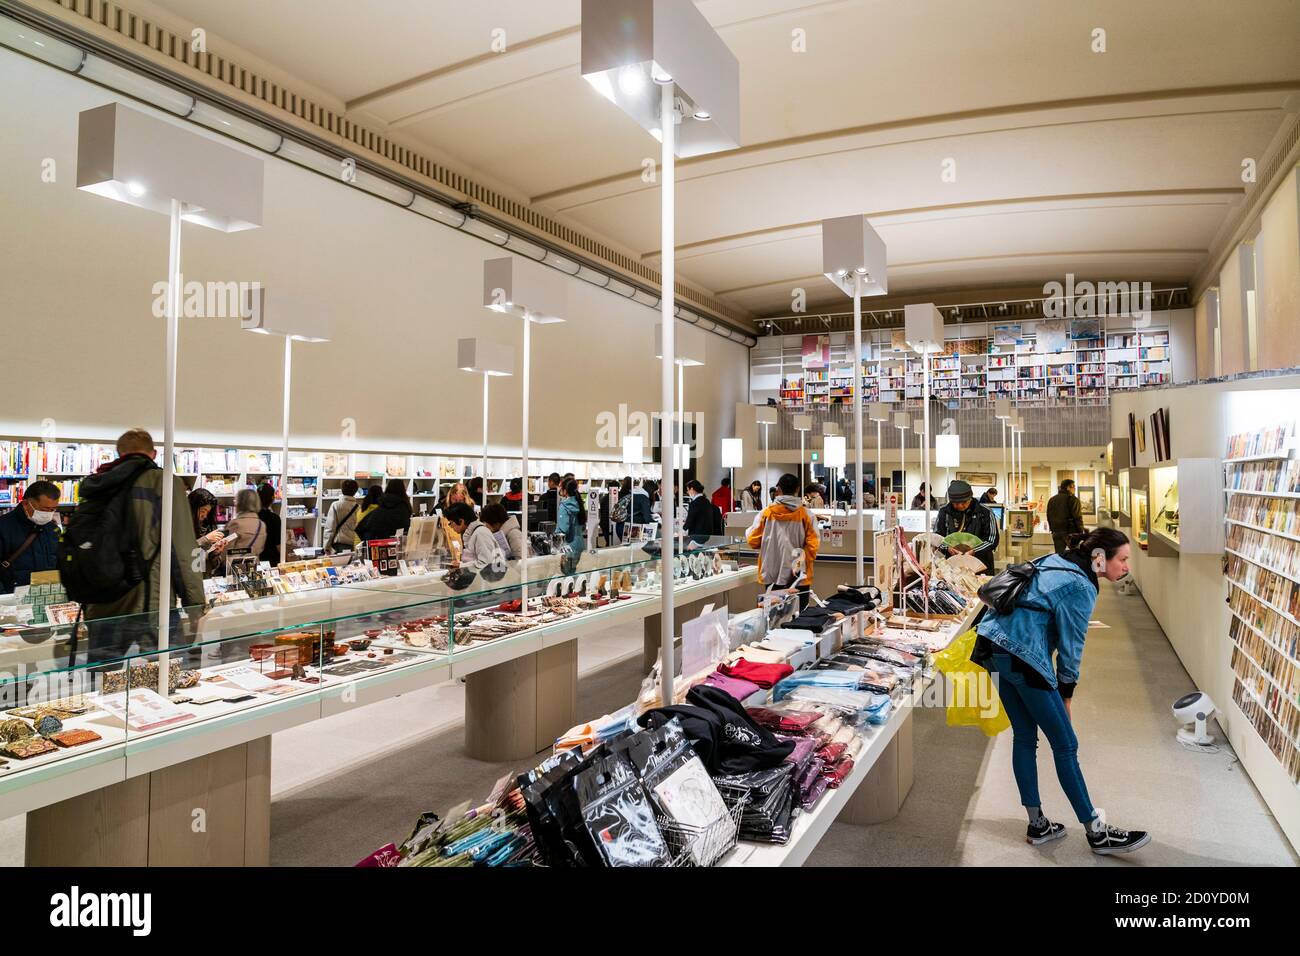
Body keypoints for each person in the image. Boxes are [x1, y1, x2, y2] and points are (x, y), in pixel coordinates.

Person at [973, 528, 1150, 855]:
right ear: (1100, 558)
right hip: (1022, 654)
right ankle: (1097, 833)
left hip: (992, 644)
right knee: (1066, 744)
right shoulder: (1081, 585)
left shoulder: (1057, 559)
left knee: (1025, 736)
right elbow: (1071, 648)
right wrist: (1065, 695)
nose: (1126, 567)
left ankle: (1037, 823)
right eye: (1122, 559)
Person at [81, 429, 204, 657]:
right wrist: (195, 603)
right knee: (168, 678)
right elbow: (184, 548)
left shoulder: (98, 484)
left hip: (101, 603)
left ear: (119, 453)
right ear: (153, 454)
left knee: (103, 681)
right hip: (151, 603)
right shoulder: (165, 483)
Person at [746, 473, 819, 603]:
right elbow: (812, 547)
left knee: (774, 617)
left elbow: (753, 540)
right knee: (800, 616)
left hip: (772, 573)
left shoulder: (765, 513)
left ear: (778, 489)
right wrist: (797, 565)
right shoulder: (807, 515)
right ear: (797, 489)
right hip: (798, 576)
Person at [0, 480, 61, 593]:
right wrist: (3, 599)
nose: (48, 513)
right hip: (11, 597)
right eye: (44, 509)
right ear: (26, 504)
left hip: (46, 594)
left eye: (53, 509)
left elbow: (58, 561)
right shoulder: (3, 527)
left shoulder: (53, 529)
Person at [933, 479, 999, 573]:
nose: (960, 506)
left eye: (964, 502)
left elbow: (992, 540)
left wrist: (974, 550)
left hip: (981, 567)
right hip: (951, 568)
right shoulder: (944, 512)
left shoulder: (986, 512)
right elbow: (937, 538)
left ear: (970, 498)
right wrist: (947, 547)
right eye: (955, 503)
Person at [187, 487, 226, 574]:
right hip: (187, 578)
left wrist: (216, 552)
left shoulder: (207, 526)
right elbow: (183, 553)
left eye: (208, 512)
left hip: (205, 579)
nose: (205, 516)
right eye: (202, 511)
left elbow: (214, 566)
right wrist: (206, 539)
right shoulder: (182, 525)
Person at [461, 502, 508, 569]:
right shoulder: (482, 532)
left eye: (485, 524)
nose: (485, 526)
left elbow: (485, 562)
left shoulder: (481, 533)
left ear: (496, 523)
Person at [321, 479, 362, 553]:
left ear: (342, 490)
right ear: (355, 491)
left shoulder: (336, 505)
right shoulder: (359, 508)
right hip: (355, 545)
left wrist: (326, 547)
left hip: (339, 545)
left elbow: (330, 528)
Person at [224, 489, 268, 555]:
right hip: (253, 563)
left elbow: (226, 550)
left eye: (236, 500)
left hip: (236, 564)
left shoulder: (236, 524)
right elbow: (260, 549)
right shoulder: (261, 524)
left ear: (240, 503)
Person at [1047, 479, 1086, 554]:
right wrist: (1081, 532)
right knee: (1074, 554)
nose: (1075, 489)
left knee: (1059, 555)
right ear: (1068, 487)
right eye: (1073, 487)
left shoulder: (1052, 500)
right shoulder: (1073, 499)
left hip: (1056, 532)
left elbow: (1049, 516)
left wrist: (1052, 529)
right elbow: (1077, 517)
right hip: (1070, 533)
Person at [556, 478, 587, 554]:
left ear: (565, 490)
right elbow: (583, 527)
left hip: (568, 546)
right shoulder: (579, 503)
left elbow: (563, 529)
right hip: (581, 544)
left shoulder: (564, 506)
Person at [256, 483, 282, 565]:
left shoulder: (252, 517)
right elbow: (278, 545)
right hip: (272, 560)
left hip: (256, 560)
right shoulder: (275, 518)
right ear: (272, 499)